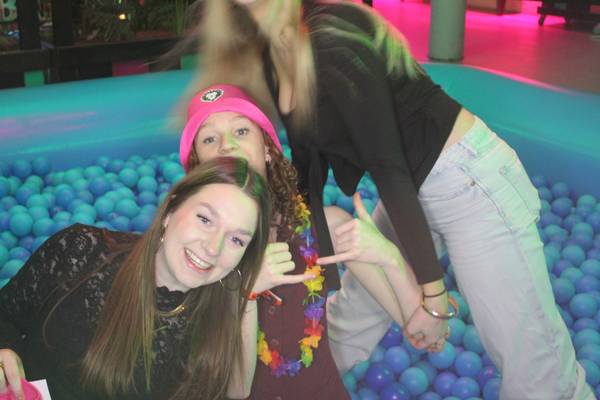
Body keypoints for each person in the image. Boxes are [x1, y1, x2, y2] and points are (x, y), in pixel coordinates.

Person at [192, 1, 593, 399]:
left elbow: (388, 166)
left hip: (464, 178)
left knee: (531, 362)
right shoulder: (272, 59)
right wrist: (286, 234)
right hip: (411, 194)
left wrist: (432, 297)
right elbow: (307, 162)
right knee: (351, 313)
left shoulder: (330, 38)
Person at [179, 84, 425, 400]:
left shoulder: (322, 228)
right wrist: (246, 292)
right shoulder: (194, 252)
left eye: (241, 131)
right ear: (198, 166)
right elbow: (232, 387)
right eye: (209, 139)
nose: (226, 144)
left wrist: (390, 256)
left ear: (267, 149)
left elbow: (420, 328)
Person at [0, 157, 271, 400]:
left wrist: (247, 294)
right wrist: (4, 351)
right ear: (171, 210)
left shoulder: (218, 316)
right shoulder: (81, 251)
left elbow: (235, 390)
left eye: (236, 239)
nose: (213, 248)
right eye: (205, 219)